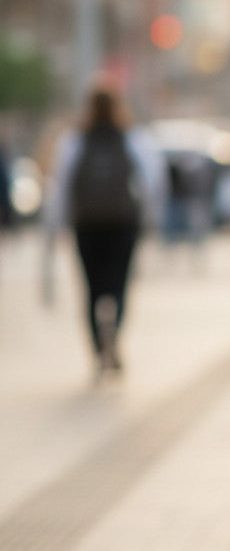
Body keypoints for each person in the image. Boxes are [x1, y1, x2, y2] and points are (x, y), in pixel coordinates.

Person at [44, 85, 165, 379]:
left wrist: (56, 227)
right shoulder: (133, 139)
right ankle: (115, 334)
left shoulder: (74, 142)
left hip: (87, 225)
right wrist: (151, 221)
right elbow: (152, 183)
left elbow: (59, 187)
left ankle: (99, 348)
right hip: (123, 224)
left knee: (91, 288)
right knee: (119, 286)